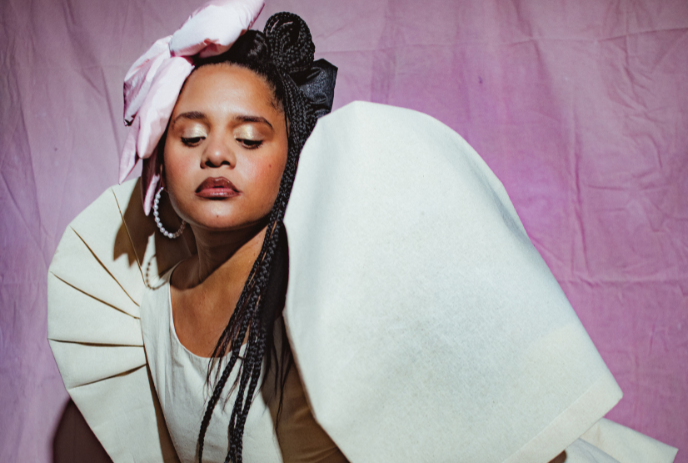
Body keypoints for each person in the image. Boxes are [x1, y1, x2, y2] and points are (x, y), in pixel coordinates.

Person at [47, 1, 679, 462]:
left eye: (248, 137)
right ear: (160, 158)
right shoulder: (138, 305)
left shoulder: (343, 280)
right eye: (190, 135)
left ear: (293, 156)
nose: (217, 154)